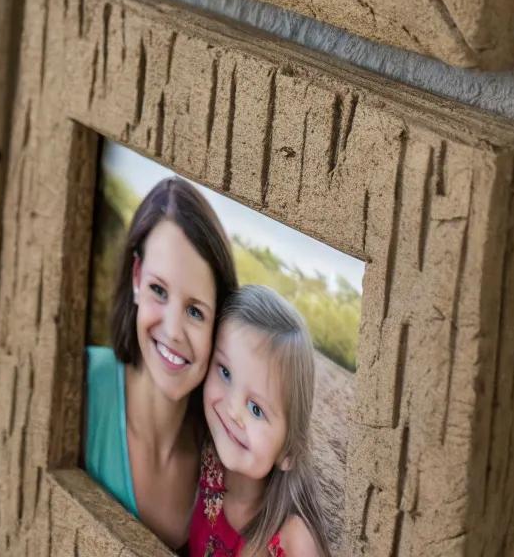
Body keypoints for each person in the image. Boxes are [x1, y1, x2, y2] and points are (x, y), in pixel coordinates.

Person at [85, 177, 238, 550]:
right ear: (137, 277)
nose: (172, 330)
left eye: (195, 311)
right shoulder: (81, 384)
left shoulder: (222, 459)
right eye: (158, 290)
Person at [191, 285, 331, 557]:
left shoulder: (293, 542)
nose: (233, 410)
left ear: (288, 451)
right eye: (226, 372)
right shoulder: (203, 461)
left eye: (256, 409)